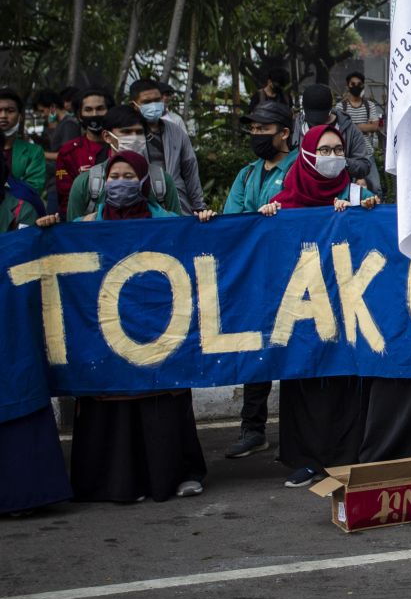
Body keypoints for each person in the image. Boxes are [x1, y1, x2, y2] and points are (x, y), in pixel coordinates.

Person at [38, 151, 215, 502]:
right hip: (107, 338)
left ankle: (177, 475)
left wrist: (205, 223)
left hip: (159, 333)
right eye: (114, 176)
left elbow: (201, 249)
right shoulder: (85, 226)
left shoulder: (169, 222)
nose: (121, 183)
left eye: (129, 175)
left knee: (162, 398)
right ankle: (115, 482)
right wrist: (47, 231)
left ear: (144, 182)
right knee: (111, 398)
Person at [259, 124, 378, 488]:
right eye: (323, 150)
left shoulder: (357, 194)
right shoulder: (283, 201)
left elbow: (375, 234)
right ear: (307, 154)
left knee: (345, 382)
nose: (331, 157)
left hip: (346, 307)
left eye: (337, 150)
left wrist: (362, 210)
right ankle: (307, 459)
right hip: (303, 311)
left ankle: (348, 457)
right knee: (307, 382)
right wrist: (267, 221)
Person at [221, 100, 298, 460]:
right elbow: (233, 221)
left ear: (284, 132)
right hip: (257, 278)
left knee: (299, 352)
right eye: (252, 129)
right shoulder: (247, 174)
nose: (256, 135)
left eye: (262, 129)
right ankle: (252, 429)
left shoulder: (301, 166)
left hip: (295, 276)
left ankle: (298, 432)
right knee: (258, 352)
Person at [0, 150, 72, 516]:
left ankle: (23, 495)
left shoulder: (22, 207)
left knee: (19, 387)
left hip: (12, 319)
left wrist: (43, 233)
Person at [62, 106, 183, 221]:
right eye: (126, 132)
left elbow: (177, 229)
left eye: (139, 132)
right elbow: (73, 234)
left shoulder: (162, 180)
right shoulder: (85, 182)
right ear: (107, 136)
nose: (135, 138)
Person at [127, 79, 205, 214]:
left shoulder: (176, 131)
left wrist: (199, 206)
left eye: (157, 100)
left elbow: (190, 170)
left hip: (178, 204)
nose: (154, 105)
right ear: (134, 106)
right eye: (147, 102)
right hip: (142, 208)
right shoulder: (127, 134)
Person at [294, 84, 380, 195]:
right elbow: (292, 159)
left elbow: (364, 166)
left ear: (330, 108)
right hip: (307, 191)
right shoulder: (299, 125)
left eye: (321, 118)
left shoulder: (349, 129)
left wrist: (339, 162)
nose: (316, 123)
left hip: (340, 193)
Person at [54, 88, 114, 217]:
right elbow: (66, 199)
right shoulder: (69, 152)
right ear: (79, 115)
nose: (94, 114)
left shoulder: (123, 145)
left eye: (100, 108)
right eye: (88, 110)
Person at [0, 88, 46, 195]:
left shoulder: (34, 152)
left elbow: (33, 188)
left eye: (10, 111)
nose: (3, 116)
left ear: (20, 116)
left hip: (18, 210)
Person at [339, 71, 384, 152]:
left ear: (363, 86)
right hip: (347, 152)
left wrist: (349, 126)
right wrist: (365, 126)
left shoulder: (370, 105)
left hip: (367, 151)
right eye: (352, 84)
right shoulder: (341, 106)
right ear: (347, 86)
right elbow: (339, 128)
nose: (356, 86)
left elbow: (375, 127)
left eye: (359, 84)